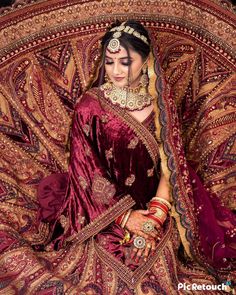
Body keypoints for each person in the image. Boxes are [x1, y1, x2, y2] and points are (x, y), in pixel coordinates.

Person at [37, 20, 235, 294]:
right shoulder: (90, 106)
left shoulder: (161, 105)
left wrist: (155, 216)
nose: (116, 71)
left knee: (166, 266)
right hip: (102, 212)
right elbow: (86, 172)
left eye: (125, 62)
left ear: (145, 60)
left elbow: (172, 165)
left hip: (157, 204)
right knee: (104, 269)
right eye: (109, 62)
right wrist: (126, 218)